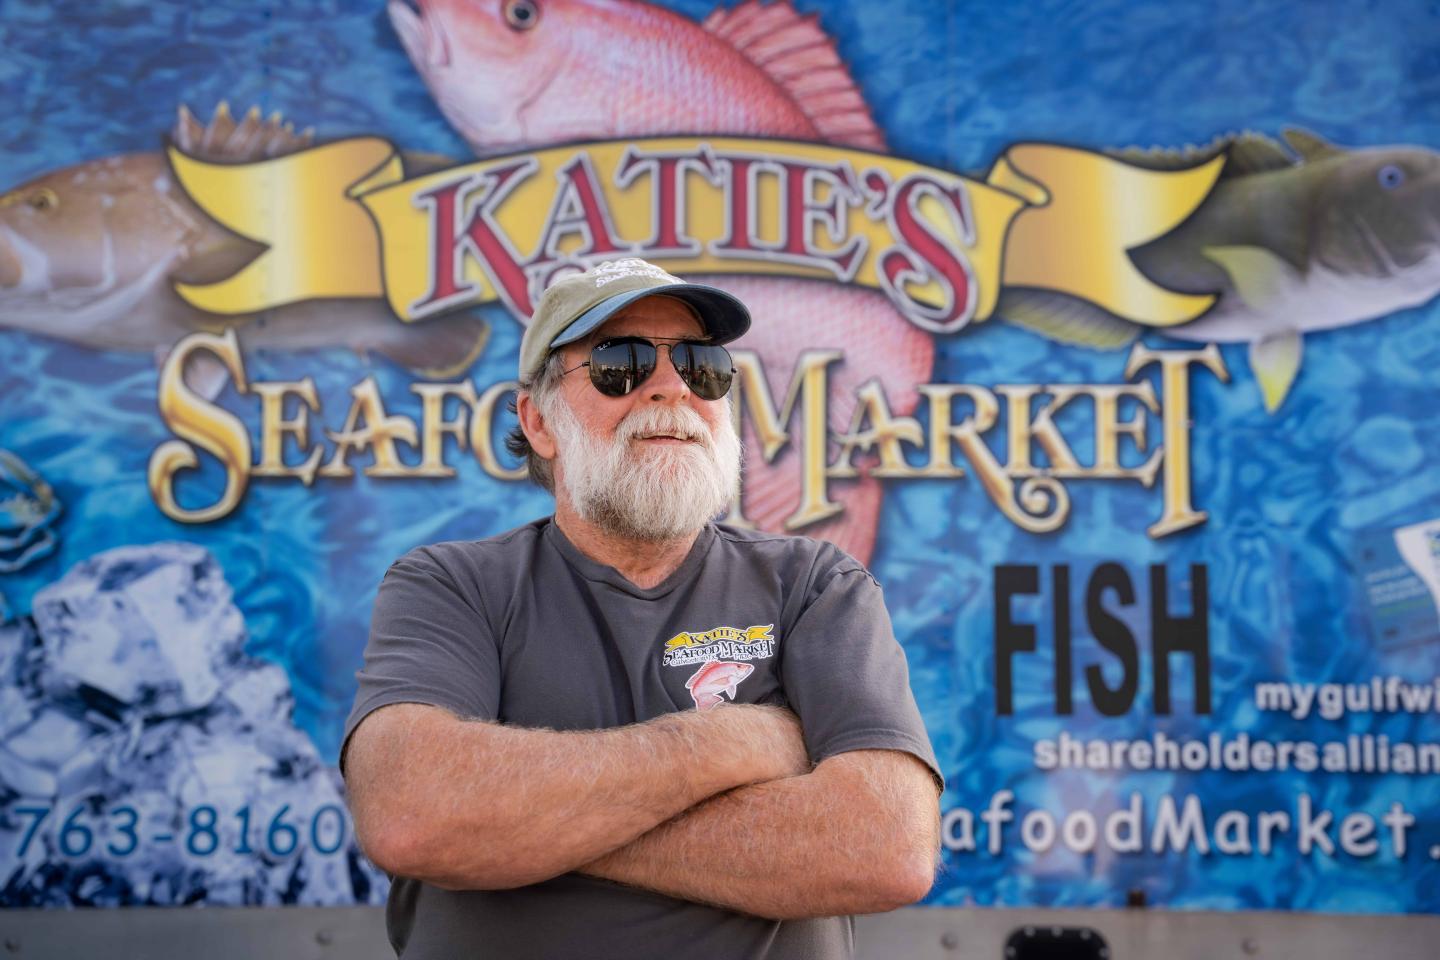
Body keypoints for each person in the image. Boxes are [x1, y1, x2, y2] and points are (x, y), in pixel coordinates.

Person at [341, 258, 942, 960]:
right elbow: (412, 814)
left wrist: (532, 826)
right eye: (619, 364)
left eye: (701, 365)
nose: (671, 387)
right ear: (539, 421)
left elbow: (885, 847)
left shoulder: (814, 586)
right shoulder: (450, 585)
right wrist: (732, 744)